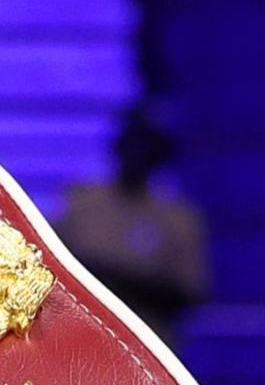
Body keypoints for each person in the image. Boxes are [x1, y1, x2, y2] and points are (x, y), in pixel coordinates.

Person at [54, 112, 210, 347]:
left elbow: (189, 292)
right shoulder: (81, 203)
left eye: (144, 147)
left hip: (147, 341)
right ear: (118, 147)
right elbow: (52, 264)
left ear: (159, 155)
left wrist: (120, 285)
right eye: (131, 145)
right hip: (79, 335)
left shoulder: (179, 220)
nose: (136, 154)